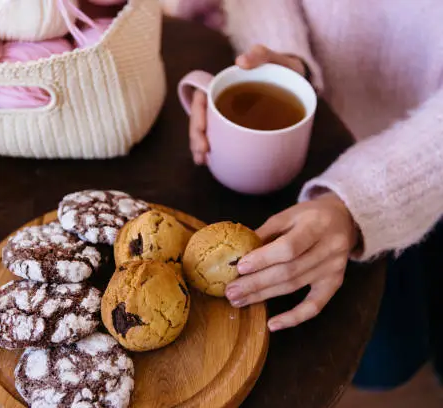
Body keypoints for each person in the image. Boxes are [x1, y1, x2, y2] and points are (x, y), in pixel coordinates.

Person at [163, 0, 443, 389]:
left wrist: (356, 203)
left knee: (383, 365)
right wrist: (283, 62)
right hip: (304, 111)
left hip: (416, 173)